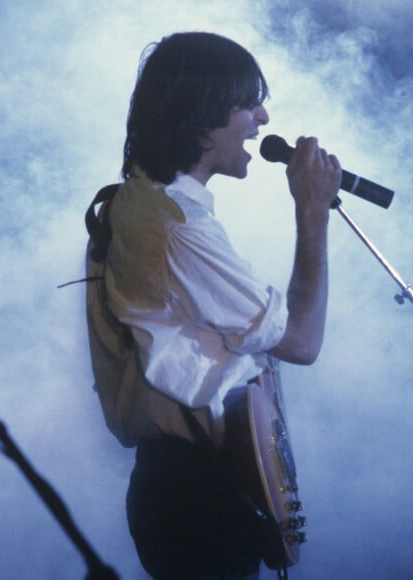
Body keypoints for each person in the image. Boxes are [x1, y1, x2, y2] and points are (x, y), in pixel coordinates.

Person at [85, 31, 341, 579]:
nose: (263, 118)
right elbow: (301, 341)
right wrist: (313, 213)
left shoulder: (147, 203)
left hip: (189, 485)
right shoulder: (177, 229)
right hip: (194, 496)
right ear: (202, 117)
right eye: (247, 104)